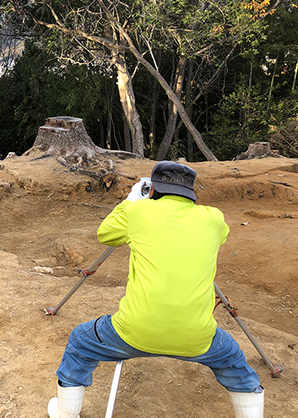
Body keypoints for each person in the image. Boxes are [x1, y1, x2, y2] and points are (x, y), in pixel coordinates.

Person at [48, 161, 263, 418]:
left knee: (80, 342)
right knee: (234, 362)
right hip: (197, 338)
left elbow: (105, 234)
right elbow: (221, 236)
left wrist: (131, 201)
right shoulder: (214, 218)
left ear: (153, 189)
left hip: (133, 333)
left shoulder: (139, 212)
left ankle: (65, 412)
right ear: (191, 194)